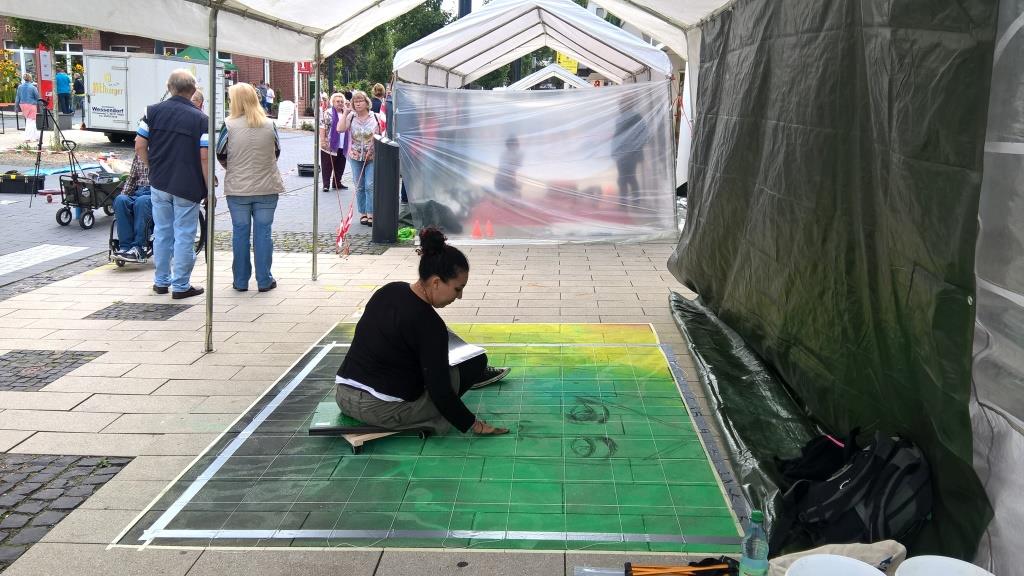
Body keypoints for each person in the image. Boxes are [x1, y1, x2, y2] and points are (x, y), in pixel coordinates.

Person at [335, 227, 511, 435]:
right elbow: (440, 392)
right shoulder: (430, 324)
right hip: (380, 411)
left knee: (458, 363)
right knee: (471, 365)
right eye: (457, 289)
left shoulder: (388, 290)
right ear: (436, 282)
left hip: (343, 396)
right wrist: (474, 425)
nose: (460, 296)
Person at [135, 69, 209, 299]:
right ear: (193, 90)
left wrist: (151, 166)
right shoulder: (201, 119)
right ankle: (181, 285)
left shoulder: (151, 112)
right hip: (188, 184)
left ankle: (161, 281)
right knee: (185, 234)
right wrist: (209, 188)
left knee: (162, 232)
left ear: (169, 88)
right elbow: (204, 156)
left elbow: (139, 144)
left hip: (160, 182)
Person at [215, 83, 284, 293]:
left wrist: (233, 168)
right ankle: (264, 280)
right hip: (267, 186)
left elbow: (221, 153)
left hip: (238, 188)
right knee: (263, 233)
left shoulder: (228, 125)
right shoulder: (270, 124)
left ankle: (240, 281)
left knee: (240, 233)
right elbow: (277, 151)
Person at [338, 90, 380, 226]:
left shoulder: (376, 117)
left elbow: (383, 134)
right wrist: (345, 113)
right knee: (359, 186)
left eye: (360, 101)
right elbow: (340, 129)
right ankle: (363, 213)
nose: (358, 104)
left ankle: (371, 213)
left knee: (370, 185)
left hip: (372, 156)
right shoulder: (351, 117)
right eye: (355, 101)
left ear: (367, 103)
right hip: (355, 156)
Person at [111, 154, 153, 263]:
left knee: (142, 202)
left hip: (155, 192)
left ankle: (139, 247)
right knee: (120, 200)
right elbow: (132, 178)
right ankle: (125, 247)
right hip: (139, 190)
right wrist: (124, 194)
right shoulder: (139, 153)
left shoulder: (162, 149)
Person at [319, 93, 349, 193]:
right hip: (329, 143)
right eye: (337, 101)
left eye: (341, 101)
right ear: (333, 102)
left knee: (340, 165)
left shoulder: (346, 113)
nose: (340, 103)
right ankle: (326, 185)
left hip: (343, 144)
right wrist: (323, 140)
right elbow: (322, 126)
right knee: (327, 165)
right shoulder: (328, 113)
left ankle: (337, 183)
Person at [14, 73, 40, 143]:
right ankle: (28, 138)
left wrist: (16, 107)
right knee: (31, 121)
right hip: (31, 105)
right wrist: (41, 104)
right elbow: (37, 97)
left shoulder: (20, 87)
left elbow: (17, 97)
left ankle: (36, 136)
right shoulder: (33, 87)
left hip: (22, 105)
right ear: (30, 79)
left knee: (30, 120)